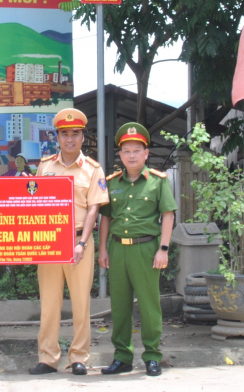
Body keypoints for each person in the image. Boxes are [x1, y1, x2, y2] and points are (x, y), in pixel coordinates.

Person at [29, 109, 108, 376]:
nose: (70, 139)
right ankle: (48, 357)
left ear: (83, 137)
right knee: (49, 303)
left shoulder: (93, 169)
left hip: (77, 242)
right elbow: (36, 204)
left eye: (75, 134)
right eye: (65, 134)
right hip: (49, 243)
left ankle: (79, 357)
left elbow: (94, 210)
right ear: (57, 137)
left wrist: (82, 243)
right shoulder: (45, 166)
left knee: (80, 304)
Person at [98, 123, 176, 377]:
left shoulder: (157, 181)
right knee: (119, 306)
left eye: (136, 150)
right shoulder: (112, 183)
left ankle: (152, 356)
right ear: (120, 155)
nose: (131, 155)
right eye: (126, 151)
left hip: (147, 249)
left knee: (149, 304)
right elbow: (106, 219)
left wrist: (163, 249)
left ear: (146, 153)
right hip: (118, 249)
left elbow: (167, 215)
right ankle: (122, 357)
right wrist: (103, 249)